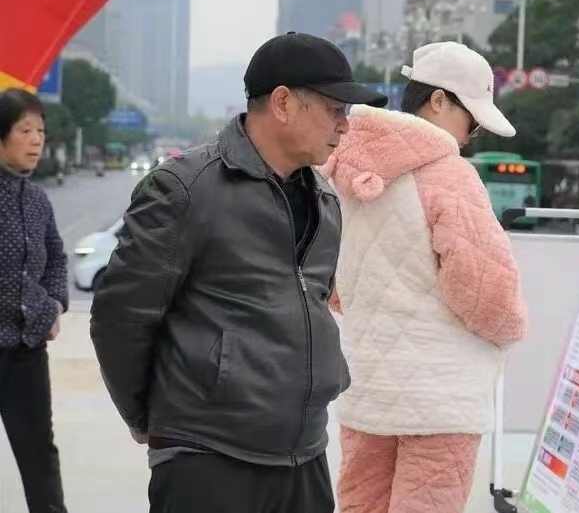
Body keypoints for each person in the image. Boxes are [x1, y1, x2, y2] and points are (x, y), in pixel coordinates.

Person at [89, 32, 387, 513]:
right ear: (283, 103)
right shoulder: (185, 189)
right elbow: (120, 319)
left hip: (304, 456)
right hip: (207, 457)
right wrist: (152, 421)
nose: (345, 125)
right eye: (335, 108)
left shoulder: (326, 200)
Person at [320, 41, 528, 513]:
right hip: (441, 396)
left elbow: (327, 280)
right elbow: (487, 294)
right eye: (472, 119)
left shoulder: (340, 169)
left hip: (366, 388)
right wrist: (511, 331)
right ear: (438, 100)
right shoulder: (449, 175)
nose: (472, 133)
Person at [0, 88, 69, 513]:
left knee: (39, 454)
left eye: (40, 131)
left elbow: (56, 258)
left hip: (26, 351)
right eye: (24, 130)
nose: (36, 140)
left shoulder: (38, 200)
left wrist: (55, 305)